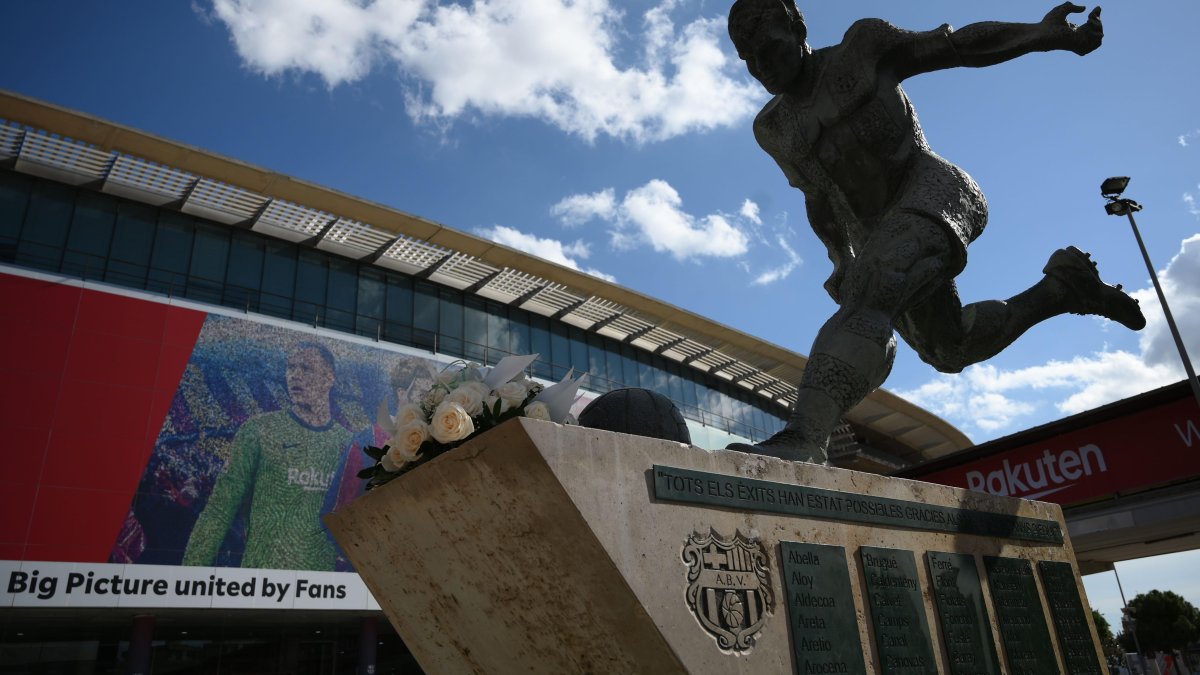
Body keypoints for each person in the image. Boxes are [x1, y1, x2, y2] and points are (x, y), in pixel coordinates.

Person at [726, 1, 1145, 463]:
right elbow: (818, 196)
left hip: (935, 189)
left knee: (872, 295)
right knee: (950, 347)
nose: (763, 67)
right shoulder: (774, 128)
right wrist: (840, 258)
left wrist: (1042, 35)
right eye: (749, 60)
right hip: (877, 232)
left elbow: (958, 45)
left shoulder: (861, 49)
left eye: (770, 49)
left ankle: (805, 438)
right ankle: (1063, 289)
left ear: (797, 28)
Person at [183, 343, 351, 571]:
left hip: (320, 589)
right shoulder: (259, 430)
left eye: (306, 368)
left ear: (329, 378)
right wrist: (189, 574)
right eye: (290, 367)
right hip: (261, 582)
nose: (295, 375)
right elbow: (219, 510)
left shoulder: (348, 444)